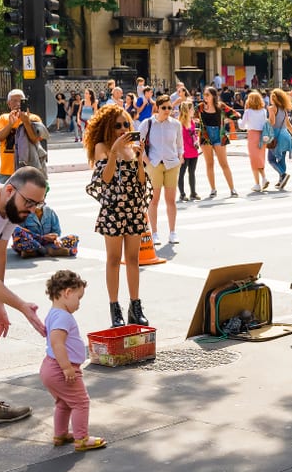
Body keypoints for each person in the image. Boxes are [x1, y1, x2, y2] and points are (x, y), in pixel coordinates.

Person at [0, 167, 50, 429]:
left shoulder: (10, 211)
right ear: (10, 190)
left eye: (37, 205)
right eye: (28, 202)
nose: (31, 210)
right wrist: (20, 305)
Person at [84, 103, 150, 327]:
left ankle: (135, 305)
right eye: (118, 125)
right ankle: (115, 309)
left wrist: (140, 161)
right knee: (113, 260)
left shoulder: (132, 148)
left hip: (133, 209)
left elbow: (141, 182)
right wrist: (114, 152)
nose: (123, 129)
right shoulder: (102, 146)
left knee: (133, 259)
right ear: (108, 127)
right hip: (113, 210)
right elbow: (105, 178)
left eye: (126, 124)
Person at [39, 270, 106, 452]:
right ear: (67, 293)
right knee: (81, 402)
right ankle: (82, 439)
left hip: (50, 367)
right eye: (79, 298)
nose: (79, 304)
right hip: (61, 368)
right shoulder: (63, 316)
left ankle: (60, 434)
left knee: (63, 402)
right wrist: (67, 368)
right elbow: (57, 343)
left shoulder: (53, 313)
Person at [141, 94, 183, 245]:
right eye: (164, 107)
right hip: (155, 164)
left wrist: (180, 157)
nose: (167, 110)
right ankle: (155, 232)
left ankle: (172, 232)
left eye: (169, 108)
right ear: (157, 108)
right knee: (154, 200)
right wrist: (148, 162)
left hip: (172, 164)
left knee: (171, 200)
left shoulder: (175, 124)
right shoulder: (148, 123)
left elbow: (179, 144)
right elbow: (138, 144)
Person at [0, 89, 46, 183]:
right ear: (9, 103)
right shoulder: (4, 118)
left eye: (21, 101)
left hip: (28, 169)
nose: (18, 103)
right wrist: (10, 124)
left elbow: (35, 139)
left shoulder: (34, 118)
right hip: (7, 170)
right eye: (14, 101)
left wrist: (26, 121)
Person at [199, 86, 239, 199]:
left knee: (224, 163)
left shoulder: (220, 106)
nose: (205, 97)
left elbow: (236, 114)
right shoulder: (200, 107)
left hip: (218, 135)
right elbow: (189, 115)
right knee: (209, 164)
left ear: (213, 96)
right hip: (205, 136)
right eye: (204, 94)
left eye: (207, 95)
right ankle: (213, 189)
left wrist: (226, 120)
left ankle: (232, 189)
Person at [11, 202, 79, 258]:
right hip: (31, 242)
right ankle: (44, 251)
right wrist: (41, 237)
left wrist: (56, 238)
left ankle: (36, 252)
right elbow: (20, 230)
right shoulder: (24, 212)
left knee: (74, 237)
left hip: (48, 243)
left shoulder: (49, 211)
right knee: (17, 230)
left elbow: (57, 232)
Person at [240, 91, 270, 193]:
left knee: (254, 160)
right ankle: (263, 179)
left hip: (252, 135)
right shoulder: (263, 111)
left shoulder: (248, 112)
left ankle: (258, 183)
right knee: (260, 158)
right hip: (262, 136)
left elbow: (242, 126)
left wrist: (238, 120)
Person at [266, 88, 292, 190]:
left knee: (271, 159)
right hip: (286, 135)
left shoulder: (272, 108)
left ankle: (283, 175)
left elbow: (272, 122)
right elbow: (288, 124)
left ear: (273, 98)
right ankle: (281, 181)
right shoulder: (284, 109)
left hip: (276, 136)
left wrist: (266, 121)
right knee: (282, 159)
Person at [177, 101, 201, 202]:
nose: (194, 111)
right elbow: (178, 140)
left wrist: (196, 141)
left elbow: (194, 134)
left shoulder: (191, 121)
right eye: (192, 109)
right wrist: (180, 154)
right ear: (188, 110)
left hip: (193, 151)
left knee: (192, 172)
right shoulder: (179, 123)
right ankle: (182, 194)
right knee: (182, 173)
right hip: (184, 152)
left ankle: (193, 193)